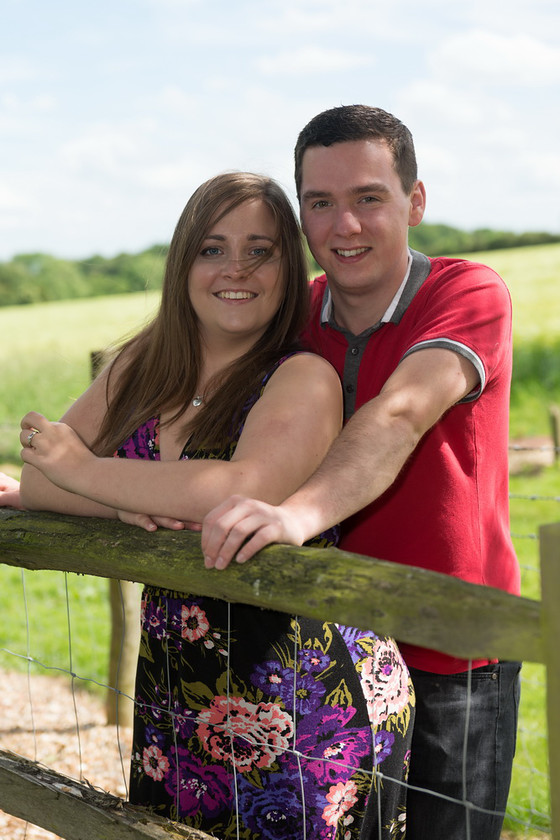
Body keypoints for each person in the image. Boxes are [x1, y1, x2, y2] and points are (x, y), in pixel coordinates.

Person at [5, 171, 415, 839]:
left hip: (304, 692)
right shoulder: (142, 365)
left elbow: (239, 491)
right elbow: (44, 477)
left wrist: (90, 473)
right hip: (180, 684)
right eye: (213, 248)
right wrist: (120, 503)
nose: (237, 268)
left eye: (261, 249)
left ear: (290, 266)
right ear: (183, 263)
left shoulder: (300, 376)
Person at [200, 108, 522, 840]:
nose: (343, 224)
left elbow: (402, 412)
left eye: (368, 198)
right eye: (320, 203)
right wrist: (70, 484)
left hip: (454, 651)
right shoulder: (294, 316)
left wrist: (294, 517)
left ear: (415, 201)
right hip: (327, 652)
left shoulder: (465, 292)